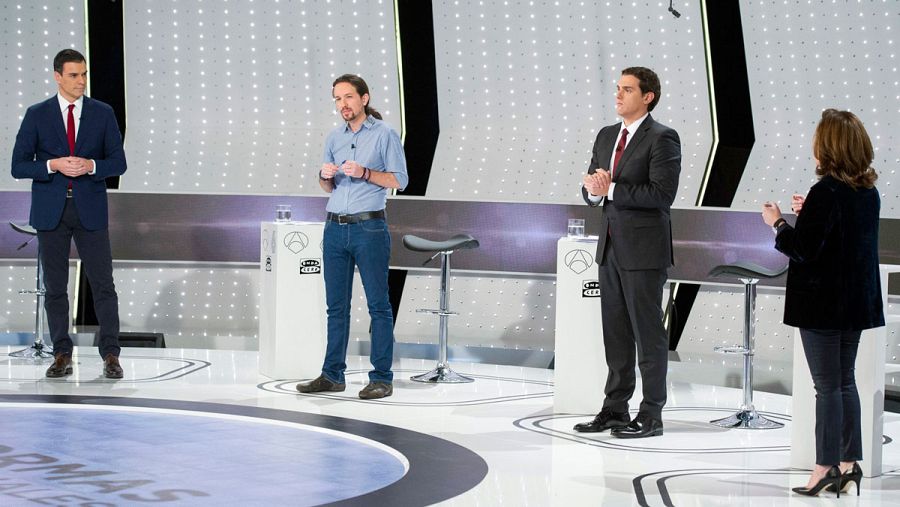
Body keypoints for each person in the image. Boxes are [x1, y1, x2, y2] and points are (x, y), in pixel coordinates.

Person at [762, 109, 883, 497]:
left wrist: (779, 223)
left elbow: (804, 249)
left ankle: (824, 467)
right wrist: (806, 214)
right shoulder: (868, 191)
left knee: (827, 387)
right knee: (844, 381)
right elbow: (839, 239)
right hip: (854, 303)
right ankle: (849, 465)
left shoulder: (826, 191)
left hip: (823, 305)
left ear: (827, 146)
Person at [572, 67, 681, 439]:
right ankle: (615, 408)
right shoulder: (606, 136)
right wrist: (592, 190)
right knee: (616, 334)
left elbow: (662, 195)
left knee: (648, 335)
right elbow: (591, 189)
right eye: (618, 89)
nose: (618, 95)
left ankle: (652, 415)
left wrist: (612, 189)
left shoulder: (663, 138)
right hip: (609, 248)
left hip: (644, 251)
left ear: (647, 96)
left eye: (627, 89)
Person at [11, 49, 127, 379]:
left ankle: (111, 355)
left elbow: (118, 162)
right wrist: (53, 164)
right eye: (74, 75)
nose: (81, 81)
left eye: (84, 74)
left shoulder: (102, 113)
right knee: (55, 287)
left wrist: (92, 165)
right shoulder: (37, 114)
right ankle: (61, 352)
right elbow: (18, 165)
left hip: (90, 209)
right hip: (52, 212)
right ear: (57, 76)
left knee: (104, 285)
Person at [297, 74, 408, 400]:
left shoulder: (385, 133)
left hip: (368, 228)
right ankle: (332, 375)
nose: (342, 104)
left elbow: (400, 180)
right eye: (337, 99)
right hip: (334, 228)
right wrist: (323, 176)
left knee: (379, 306)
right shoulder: (334, 137)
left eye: (347, 97)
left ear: (364, 98)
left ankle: (381, 377)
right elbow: (327, 187)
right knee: (335, 307)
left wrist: (365, 173)